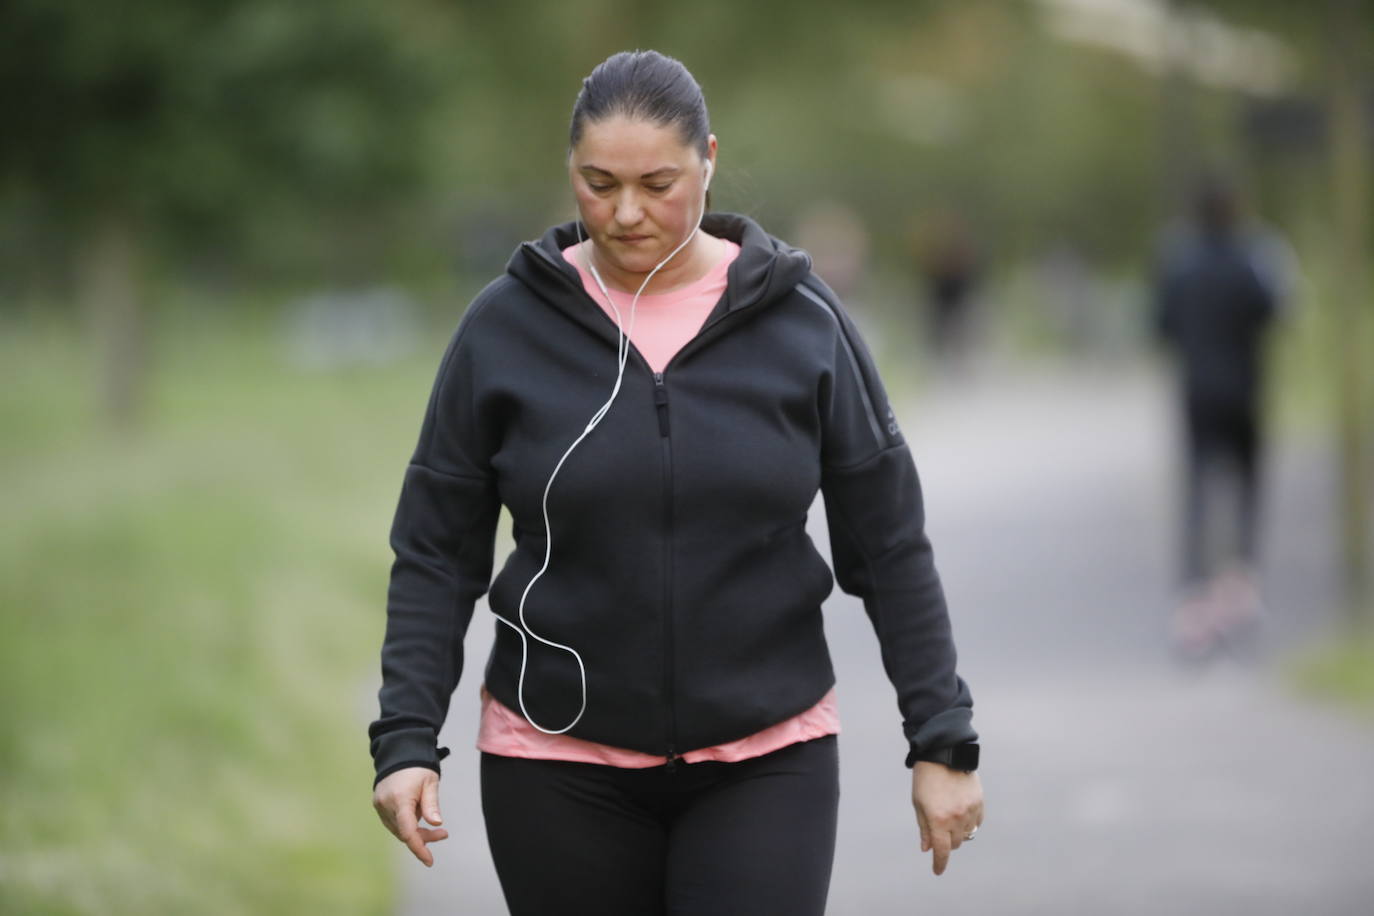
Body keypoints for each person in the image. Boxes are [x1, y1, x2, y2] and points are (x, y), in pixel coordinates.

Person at [368, 49, 984, 915]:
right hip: (553, 764)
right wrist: (405, 741)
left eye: (658, 183)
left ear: (710, 162)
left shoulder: (803, 326)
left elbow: (887, 542)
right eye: (598, 183)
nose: (625, 214)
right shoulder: (503, 330)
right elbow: (435, 553)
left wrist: (942, 738)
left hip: (767, 759)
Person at [1153, 174, 1292, 659]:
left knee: (1197, 492)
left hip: (1197, 391)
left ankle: (1193, 603)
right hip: (1245, 390)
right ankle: (1240, 587)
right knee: (1247, 487)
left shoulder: (1179, 261)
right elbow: (1277, 311)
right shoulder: (1254, 256)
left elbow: (1161, 324)